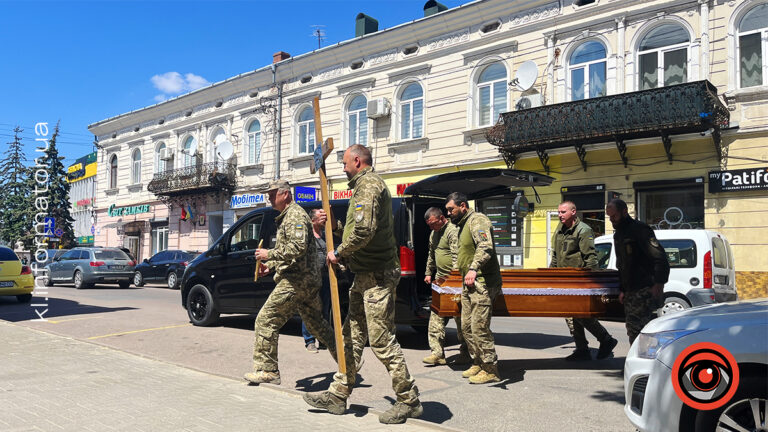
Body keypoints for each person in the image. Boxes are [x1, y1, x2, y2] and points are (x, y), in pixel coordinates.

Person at [303, 144, 422, 424]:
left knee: (381, 341)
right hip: (365, 275)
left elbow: (365, 231)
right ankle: (338, 394)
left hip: (378, 276)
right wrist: (334, 226)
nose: (343, 168)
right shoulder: (362, 187)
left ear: (357, 161)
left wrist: (338, 252)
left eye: (345, 163)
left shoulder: (368, 185)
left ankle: (409, 400)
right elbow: (357, 227)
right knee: (350, 337)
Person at [243, 179, 337, 385]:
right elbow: (293, 252)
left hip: (297, 281)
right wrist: (272, 265)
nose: (269, 197)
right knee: (317, 326)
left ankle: (268, 370)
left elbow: (297, 248)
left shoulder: (295, 215)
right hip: (304, 279)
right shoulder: (287, 216)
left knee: (266, 320)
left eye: (272, 193)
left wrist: (269, 254)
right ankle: (348, 363)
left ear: (285, 194)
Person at [445, 192, 502, 384]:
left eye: (451, 209)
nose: (449, 213)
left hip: (482, 283)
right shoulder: (462, 225)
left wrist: (473, 268)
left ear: (462, 206)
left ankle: (491, 368)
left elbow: (485, 246)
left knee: (479, 327)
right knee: (466, 327)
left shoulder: (477, 220)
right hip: (468, 283)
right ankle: (477, 361)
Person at [549, 201, 618, 361]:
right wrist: (550, 275)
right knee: (570, 315)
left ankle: (606, 339)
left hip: (579, 281)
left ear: (573, 212)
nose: (560, 215)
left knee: (580, 314)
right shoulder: (560, 229)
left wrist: (591, 283)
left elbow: (591, 259)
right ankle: (582, 349)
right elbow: (555, 255)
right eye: (559, 212)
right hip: (564, 281)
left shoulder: (583, 230)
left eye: (563, 212)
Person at [605, 199, 670, 344]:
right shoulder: (618, 234)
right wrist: (623, 289)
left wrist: (659, 284)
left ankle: (642, 363)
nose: (611, 220)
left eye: (614, 216)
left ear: (624, 212)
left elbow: (659, 257)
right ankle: (641, 362)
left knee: (640, 331)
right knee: (634, 330)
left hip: (644, 288)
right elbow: (622, 264)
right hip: (631, 290)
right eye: (609, 217)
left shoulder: (640, 230)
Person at [422, 207, 470, 366]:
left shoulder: (452, 231)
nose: (431, 227)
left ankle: (465, 352)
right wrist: (429, 272)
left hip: (453, 282)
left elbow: (458, 256)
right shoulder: (433, 233)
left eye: (433, 224)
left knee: (460, 319)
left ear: (442, 218)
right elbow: (431, 253)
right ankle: (437, 353)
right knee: (435, 317)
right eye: (429, 225)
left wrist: (455, 279)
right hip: (440, 282)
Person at [300, 209, 333, 353]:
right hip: (311, 279)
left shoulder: (326, 236)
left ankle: (324, 338)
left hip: (325, 277)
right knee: (310, 310)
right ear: (312, 220)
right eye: (320, 217)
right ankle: (309, 340)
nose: (323, 220)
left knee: (324, 309)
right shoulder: (307, 236)